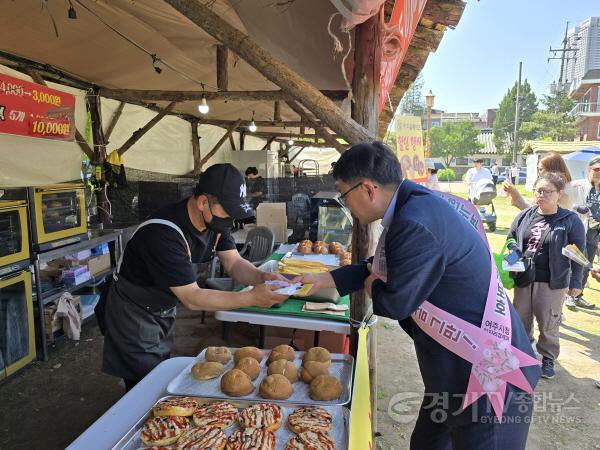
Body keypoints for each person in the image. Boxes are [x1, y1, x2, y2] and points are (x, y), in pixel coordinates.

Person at [294, 142, 540, 449]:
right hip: (453, 373)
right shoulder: (415, 205)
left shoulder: (415, 222)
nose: (346, 205)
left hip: (489, 378)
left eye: (344, 195)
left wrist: (371, 285)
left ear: (368, 189)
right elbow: (380, 268)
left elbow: (394, 301)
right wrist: (327, 278)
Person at [100, 164, 288, 391]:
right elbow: (191, 297)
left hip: (163, 306)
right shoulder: (163, 233)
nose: (230, 220)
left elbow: (234, 262)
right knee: (145, 383)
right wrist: (251, 299)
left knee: (159, 368)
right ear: (202, 202)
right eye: (227, 210)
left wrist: (262, 277)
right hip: (133, 312)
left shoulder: (215, 224)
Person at [506, 173, 585, 379]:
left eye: (548, 191)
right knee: (521, 320)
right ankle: (523, 354)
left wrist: (576, 281)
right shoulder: (525, 215)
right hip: (524, 278)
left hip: (552, 282)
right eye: (538, 191)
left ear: (559, 194)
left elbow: (577, 252)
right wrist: (512, 253)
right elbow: (511, 238)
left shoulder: (569, 220)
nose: (542, 195)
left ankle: (548, 359)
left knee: (548, 323)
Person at [566, 156, 600, 310]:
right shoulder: (576, 185)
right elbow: (561, 201)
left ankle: (578, 295)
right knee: (575, 264)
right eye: (597, 169)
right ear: (589, 170)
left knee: (588, 264)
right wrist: (576, 207)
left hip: (594, 231)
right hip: (577, 230)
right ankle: (569, 296)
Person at [503, 152, 574, 210]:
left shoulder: (558, 190)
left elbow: (535, 211)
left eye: (541, 169)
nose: (539, 173)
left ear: (551, 170)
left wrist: (515, 194)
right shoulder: (565, 187)